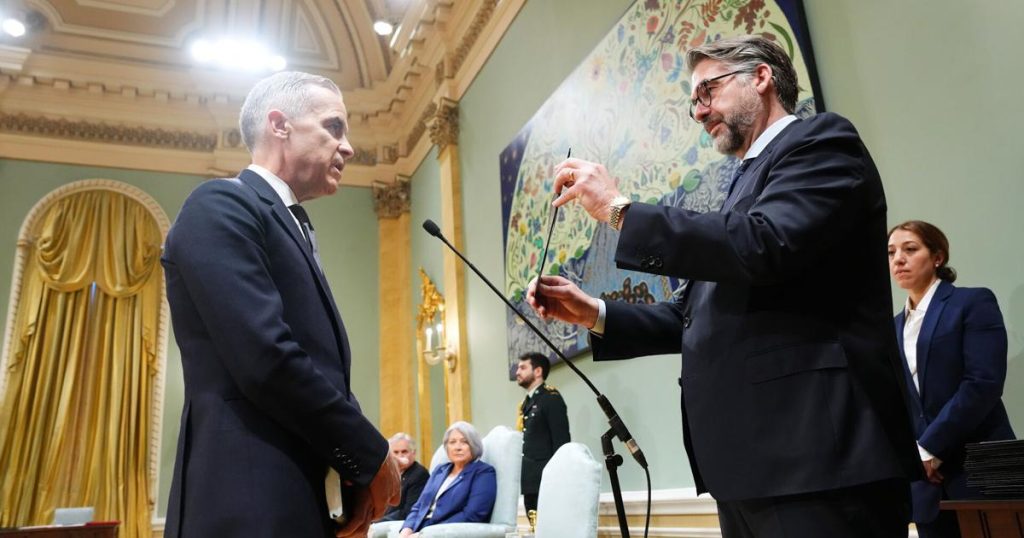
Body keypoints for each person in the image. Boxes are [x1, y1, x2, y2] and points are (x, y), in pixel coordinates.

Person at [527, 35, 923, 537]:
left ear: (760, 77)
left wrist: (620, 210)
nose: (698, 112)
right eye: (693, 100)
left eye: (707, 91)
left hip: (819, 457)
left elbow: (765, 242)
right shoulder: (740, 184)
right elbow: (692, 314)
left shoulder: (820, 141)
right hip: (749, 464)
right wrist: (593, 313)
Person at [162, 71, 400, 538]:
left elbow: (318, 365)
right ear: (280, 124)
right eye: (334, 127)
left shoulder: (292, 225)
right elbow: (267, 359)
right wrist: (372, 455)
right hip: (245, 495)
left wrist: (350, 475)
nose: (348, 147)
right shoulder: (222, 205)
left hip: (293, 490)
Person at [888, 220, 1015, 538]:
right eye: (891, 253)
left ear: (938, 257)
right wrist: (914, 459)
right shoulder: (891, 326)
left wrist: (930, 449)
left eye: (910, 249)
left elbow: (982, 383)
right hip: (925, 482)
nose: (898, 259)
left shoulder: (971, 303)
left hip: (979, 466)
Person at [400, 422, 496, 536]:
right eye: (452, 442)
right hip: (422, 529)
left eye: (464, 442)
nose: (457, 447)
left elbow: (474, 514)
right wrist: (407, 528)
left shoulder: (483, 472)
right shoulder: (440, 470)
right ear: (446, 447)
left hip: (445, 532)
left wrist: (430, 532)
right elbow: (419, 505)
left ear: (474, 445)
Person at [515, 352, 570, 513]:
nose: (517, 372)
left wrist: (557, 478)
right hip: (530, 481)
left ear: (538, 371)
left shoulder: (551, 398)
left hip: (547, 480)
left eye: (523, 367)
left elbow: (561, 443)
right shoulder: (526, 403)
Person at [377, 433, 430, 522]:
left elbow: (408, 511)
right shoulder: (386, 473)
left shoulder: (419, 474)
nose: (400, 456)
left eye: (404, 452)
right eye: (396, 452)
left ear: (413, 453)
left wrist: (377, 523)